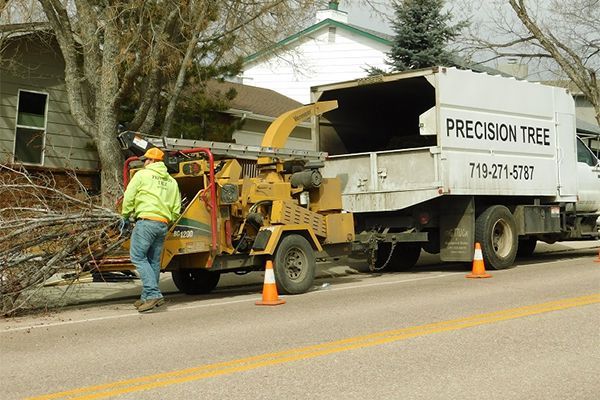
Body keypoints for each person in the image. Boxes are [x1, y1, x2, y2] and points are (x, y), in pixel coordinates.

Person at [122, 147, 181, 312]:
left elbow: (129, 196)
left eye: (146, 160)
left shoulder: (142, 175)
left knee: (138, 258)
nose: (145, 162)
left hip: (146, 221)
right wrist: (168, 220)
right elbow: (176, 207)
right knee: (153, 261)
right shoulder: (171, 181)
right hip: (162, 223)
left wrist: (125, 215)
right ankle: (147, 297)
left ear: (154, 161)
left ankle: (154, 294)